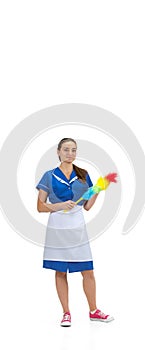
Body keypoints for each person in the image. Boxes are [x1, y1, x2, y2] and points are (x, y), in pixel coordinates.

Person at [36, 138, 114, 326]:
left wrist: (98, 190)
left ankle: (94, 311)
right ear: (58, 152)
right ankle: (66, 313)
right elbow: (40, 206)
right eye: (66, 150)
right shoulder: (49, 176)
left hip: (78, 227)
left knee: (88, 270)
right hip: (58, 227)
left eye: (73, 150)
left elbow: (87, 206)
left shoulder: (83, 175)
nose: (70, 153)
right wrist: (59, 205)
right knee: (60, 271)